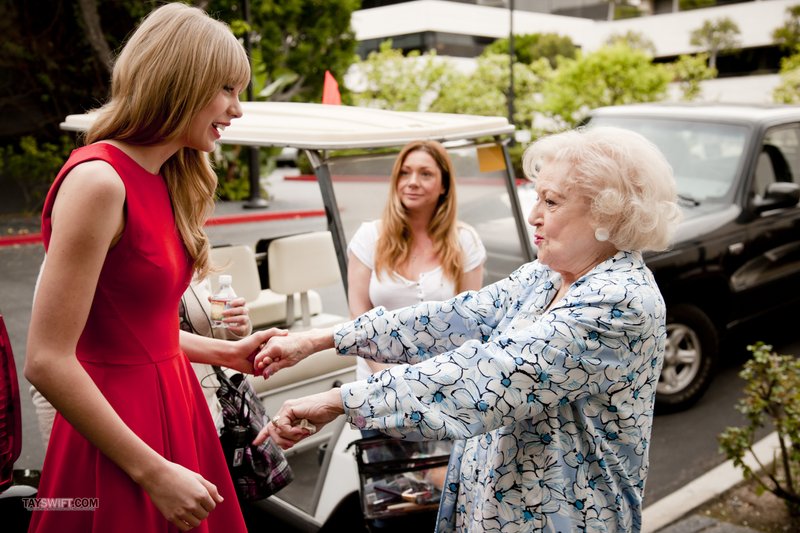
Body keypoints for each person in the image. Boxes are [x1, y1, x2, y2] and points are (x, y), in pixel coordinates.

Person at [253, 126, 682, 532]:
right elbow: (451, 319)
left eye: (551, 202)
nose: (534, 215)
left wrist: (338, 401)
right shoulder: (546, 276)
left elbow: (487, 377)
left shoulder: (620, 301)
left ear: (608, 212)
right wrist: (320, 340)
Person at [24, 4, 278, 532]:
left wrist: (227, 352)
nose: (237, 110)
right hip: (119, 431)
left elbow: (140, 332)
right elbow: (47, 359)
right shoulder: (100, 182)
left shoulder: (167, 179)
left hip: (174, 408)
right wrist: (153, 472)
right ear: (180, 82)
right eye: (227, 89)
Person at [29, 276, 253, 448]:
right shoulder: (92, 233)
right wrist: (59, 446)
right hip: (131, 429)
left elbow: (203, 326)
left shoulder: (190, 239)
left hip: (201, 416)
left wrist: (236, 331)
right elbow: (49, 360)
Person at [347, 139, 485, 406]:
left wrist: (437, 381)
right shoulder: (369, 236)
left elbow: (470, 323)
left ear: (444, 186)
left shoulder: (465, 240)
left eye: (426, 174)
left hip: (443, 388)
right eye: (405, 172)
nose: (412, 181)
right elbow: (359, 317)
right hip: (376, 386)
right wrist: (388, 379)